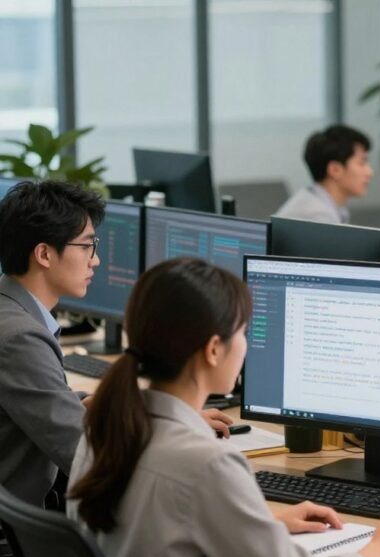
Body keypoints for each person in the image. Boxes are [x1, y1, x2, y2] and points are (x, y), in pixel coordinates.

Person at [67, 258, 380, 557]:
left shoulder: (103, 426)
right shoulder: (207, 464)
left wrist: (262, 528)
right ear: (214, 349)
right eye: (242, 332)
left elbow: (156, 534)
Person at [0, 181, 234, 510]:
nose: (95, 261)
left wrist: (155, 415)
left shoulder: (12, 311)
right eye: (86, 246)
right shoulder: (19, 336)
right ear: (44, 254)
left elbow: (49, 402)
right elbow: (85, 453)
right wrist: (178, 434)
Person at [276, 125, 374, 225]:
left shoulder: (314, 200)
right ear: (335, 170)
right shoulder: (318, 217)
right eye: (362, 163)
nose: (369, 172)